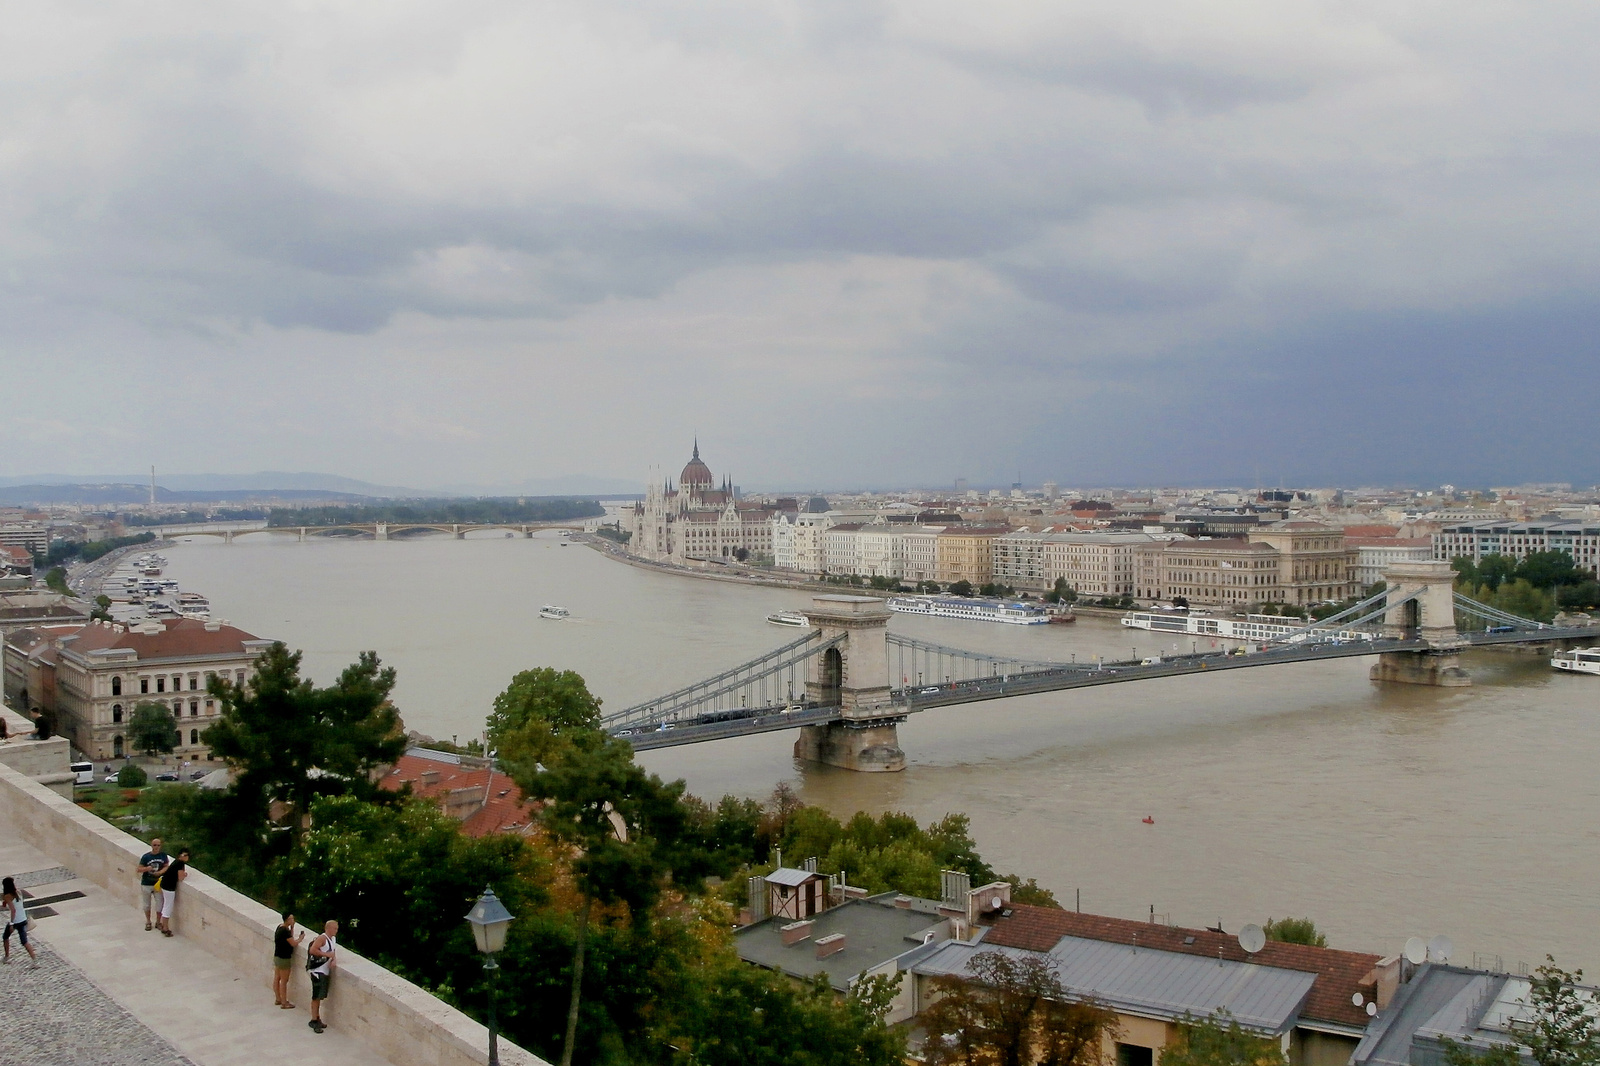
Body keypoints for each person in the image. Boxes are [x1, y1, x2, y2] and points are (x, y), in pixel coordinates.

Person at [306, 919, 338, 1033]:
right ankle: (314, 1020)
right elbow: (312, 950)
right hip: (317, 971)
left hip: (324, 971)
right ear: (328, 928)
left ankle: (317, 1018)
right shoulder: (322, 938)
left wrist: (333, 959)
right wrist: (327, 955)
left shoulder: (333, 939)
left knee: (320, 995)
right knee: (316, 996)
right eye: (334, 928)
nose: (336, 930)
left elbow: (333, 951)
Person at [2, 876, 39, 968]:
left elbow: (13, 910)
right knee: (24, 942)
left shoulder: (7, 896)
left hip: (15, 921)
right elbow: (17, 904)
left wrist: (11, 923)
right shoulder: (19, 892)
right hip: (23, 919)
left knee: (5, 937)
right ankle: (35, 961)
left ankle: (7, 957)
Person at [137, 837, 170, 932]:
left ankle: (158, 922)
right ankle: (148, 921)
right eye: (154, 845)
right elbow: (139, 869)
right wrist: (147, 869)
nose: (156, 847)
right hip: (146, 883)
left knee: (159, 904)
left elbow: (166, 866)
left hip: (158, 884)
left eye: (158, 845)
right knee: (147, 904)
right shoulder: (146, 857)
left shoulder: (163, 856)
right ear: (151, 846)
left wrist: (160, 873)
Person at [272, 912, 305, 1009]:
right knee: (284, 981)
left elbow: (288, 937)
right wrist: (300, 938)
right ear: (287, 919)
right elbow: (293, 943)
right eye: (291, 919)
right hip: (284, 958)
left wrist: (292, 928)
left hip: (277, 956)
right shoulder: (285, 931)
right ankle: (284, 1002)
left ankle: (278, 998)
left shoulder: (280, 928)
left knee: (277, 978)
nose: (293, 920)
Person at [156, 848, 188, 937]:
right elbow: (180, 878)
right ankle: (165, 927)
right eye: (184, 855)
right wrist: (185, 875)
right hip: (169, 887)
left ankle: (162, 924)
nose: (186, 857)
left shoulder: (176, 862)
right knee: (168, 906)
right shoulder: (180, 864)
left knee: (166, 905)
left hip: (164, 885)